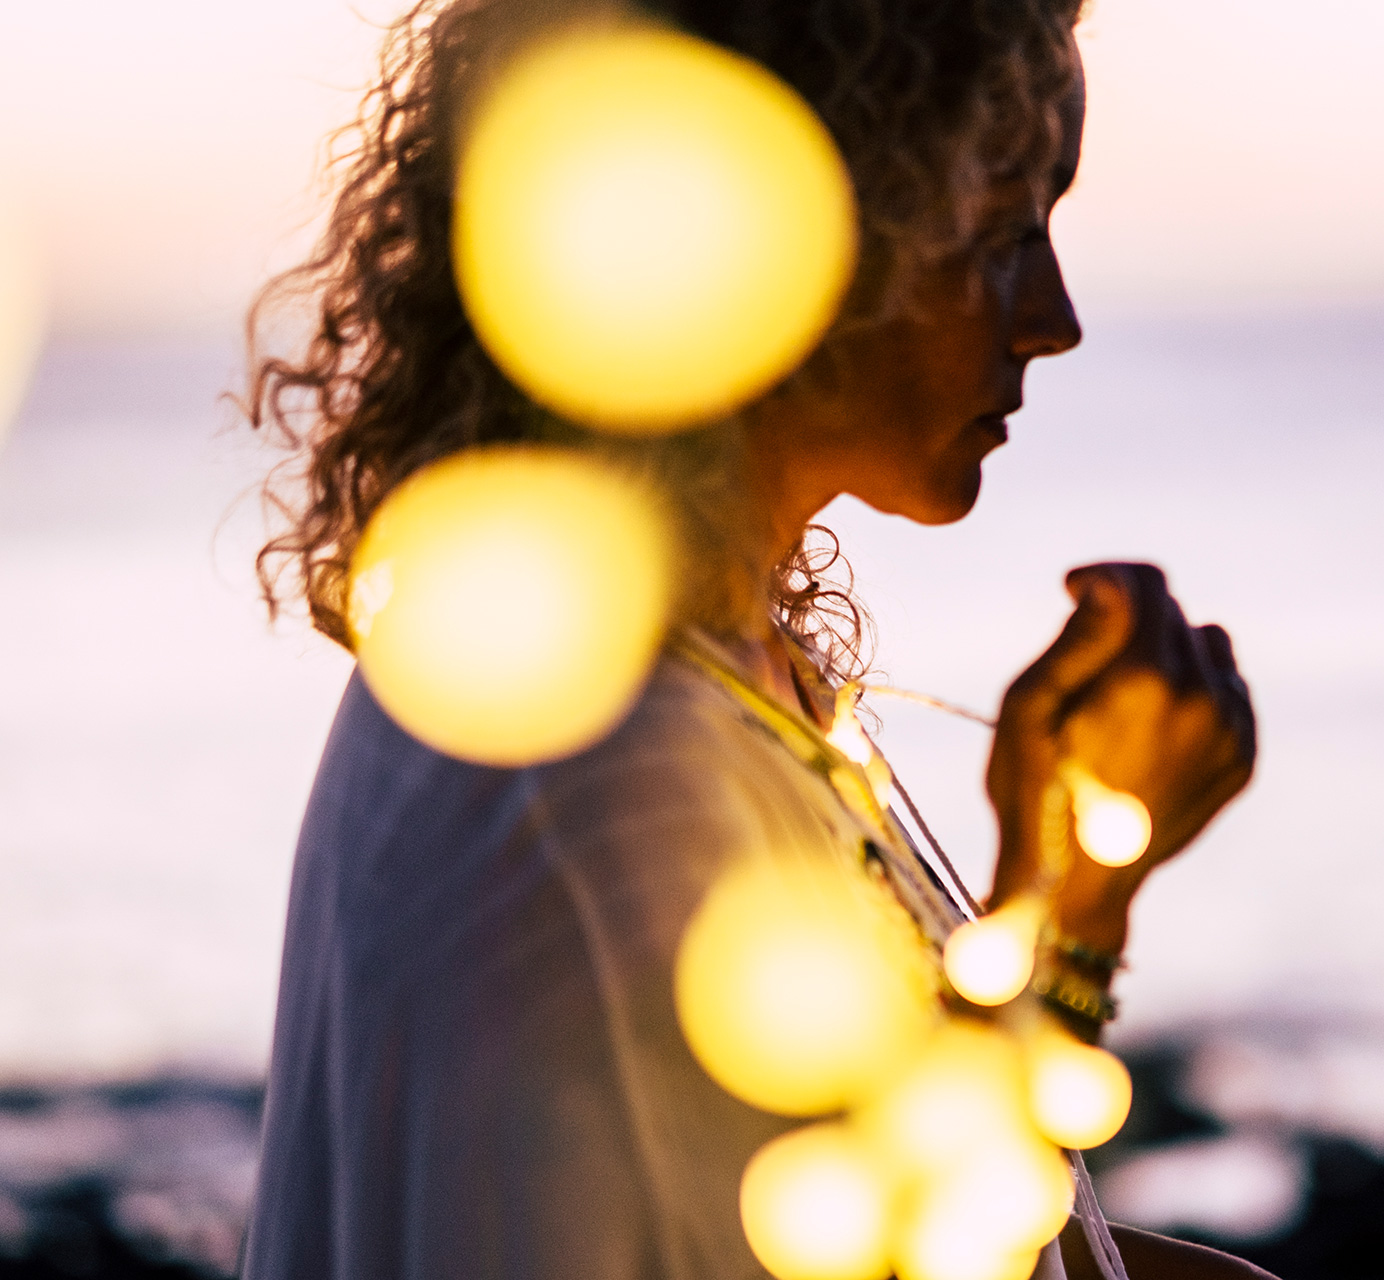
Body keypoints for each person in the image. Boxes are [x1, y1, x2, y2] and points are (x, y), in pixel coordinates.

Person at [240, 0, 1263, 1277]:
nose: (1052, 316)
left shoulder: (688, 674)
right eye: (1000, 234)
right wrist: (1069, 909)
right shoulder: (597, 779)